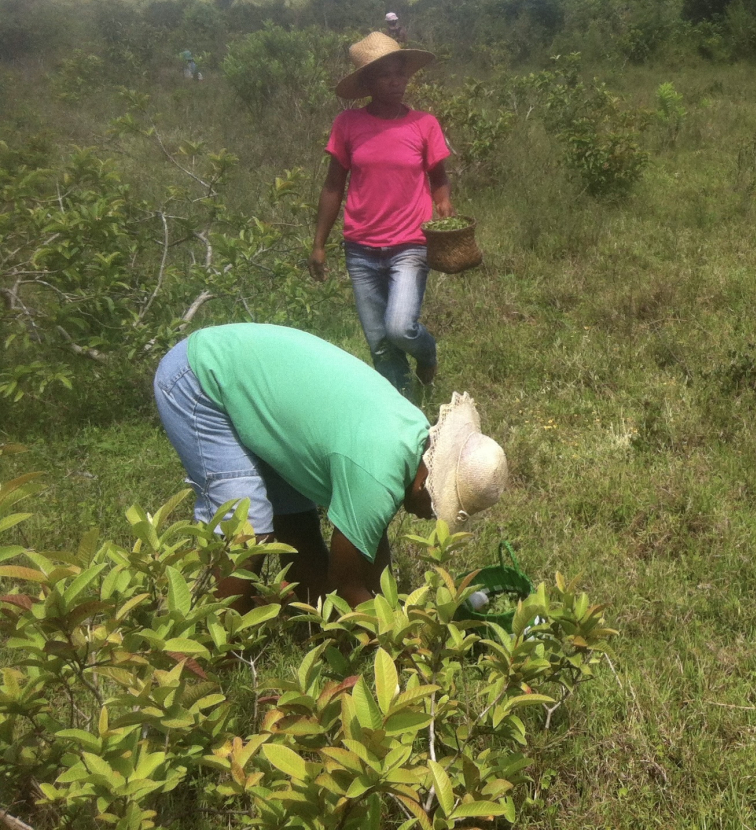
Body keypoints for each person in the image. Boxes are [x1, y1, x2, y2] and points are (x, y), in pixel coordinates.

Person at [153, 323, 507, 610]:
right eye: (439, 505)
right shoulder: (377, 471)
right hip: (200, 377)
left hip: (253, 376)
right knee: (247, 533)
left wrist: (388, 604)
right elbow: (347, 585)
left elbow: (368, 539)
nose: (433, 517)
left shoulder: (411, 435)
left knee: (297, 524)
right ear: (424, 484)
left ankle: (309, 628)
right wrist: (399, 644)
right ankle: (218, 657)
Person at [312, 32, 452, 391]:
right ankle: (406, 405)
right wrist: (319, 244)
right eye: (386, 74)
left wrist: (444, 206)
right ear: (368, 82)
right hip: (360, 248)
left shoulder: (424, 124)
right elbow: (333, 186)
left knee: (400, 327)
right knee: (379, 343)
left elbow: (439, 177)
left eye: (401, 73)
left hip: (410, 244)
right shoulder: (348, 125)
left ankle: (428, 353)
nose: (397, 81)